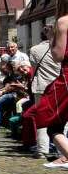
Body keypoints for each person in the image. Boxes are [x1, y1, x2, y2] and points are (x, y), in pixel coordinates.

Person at [22, 0, 68, 174]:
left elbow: (58, 55)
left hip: (66, 79)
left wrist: (51, 37)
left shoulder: (63, 22)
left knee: (51, 125)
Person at [29, 26, 61, 157]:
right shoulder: (61, 47)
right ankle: (61, 150)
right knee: (60, 118)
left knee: (42, 118)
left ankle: (42, 150)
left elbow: (33, 69)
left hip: (42, 86)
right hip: (59, 86)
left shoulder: (34, 50)